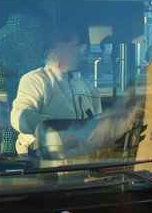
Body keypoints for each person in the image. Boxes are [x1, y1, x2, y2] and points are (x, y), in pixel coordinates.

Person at [9, 24, 102, 156]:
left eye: (80, 48)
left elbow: (99, 127)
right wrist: (53, 129)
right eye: (75, 49)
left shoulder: (89, 88)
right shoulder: (37, 81)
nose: (80, 53)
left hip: (82, 162)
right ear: (57, 53)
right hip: (41, 165)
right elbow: (19, 116)